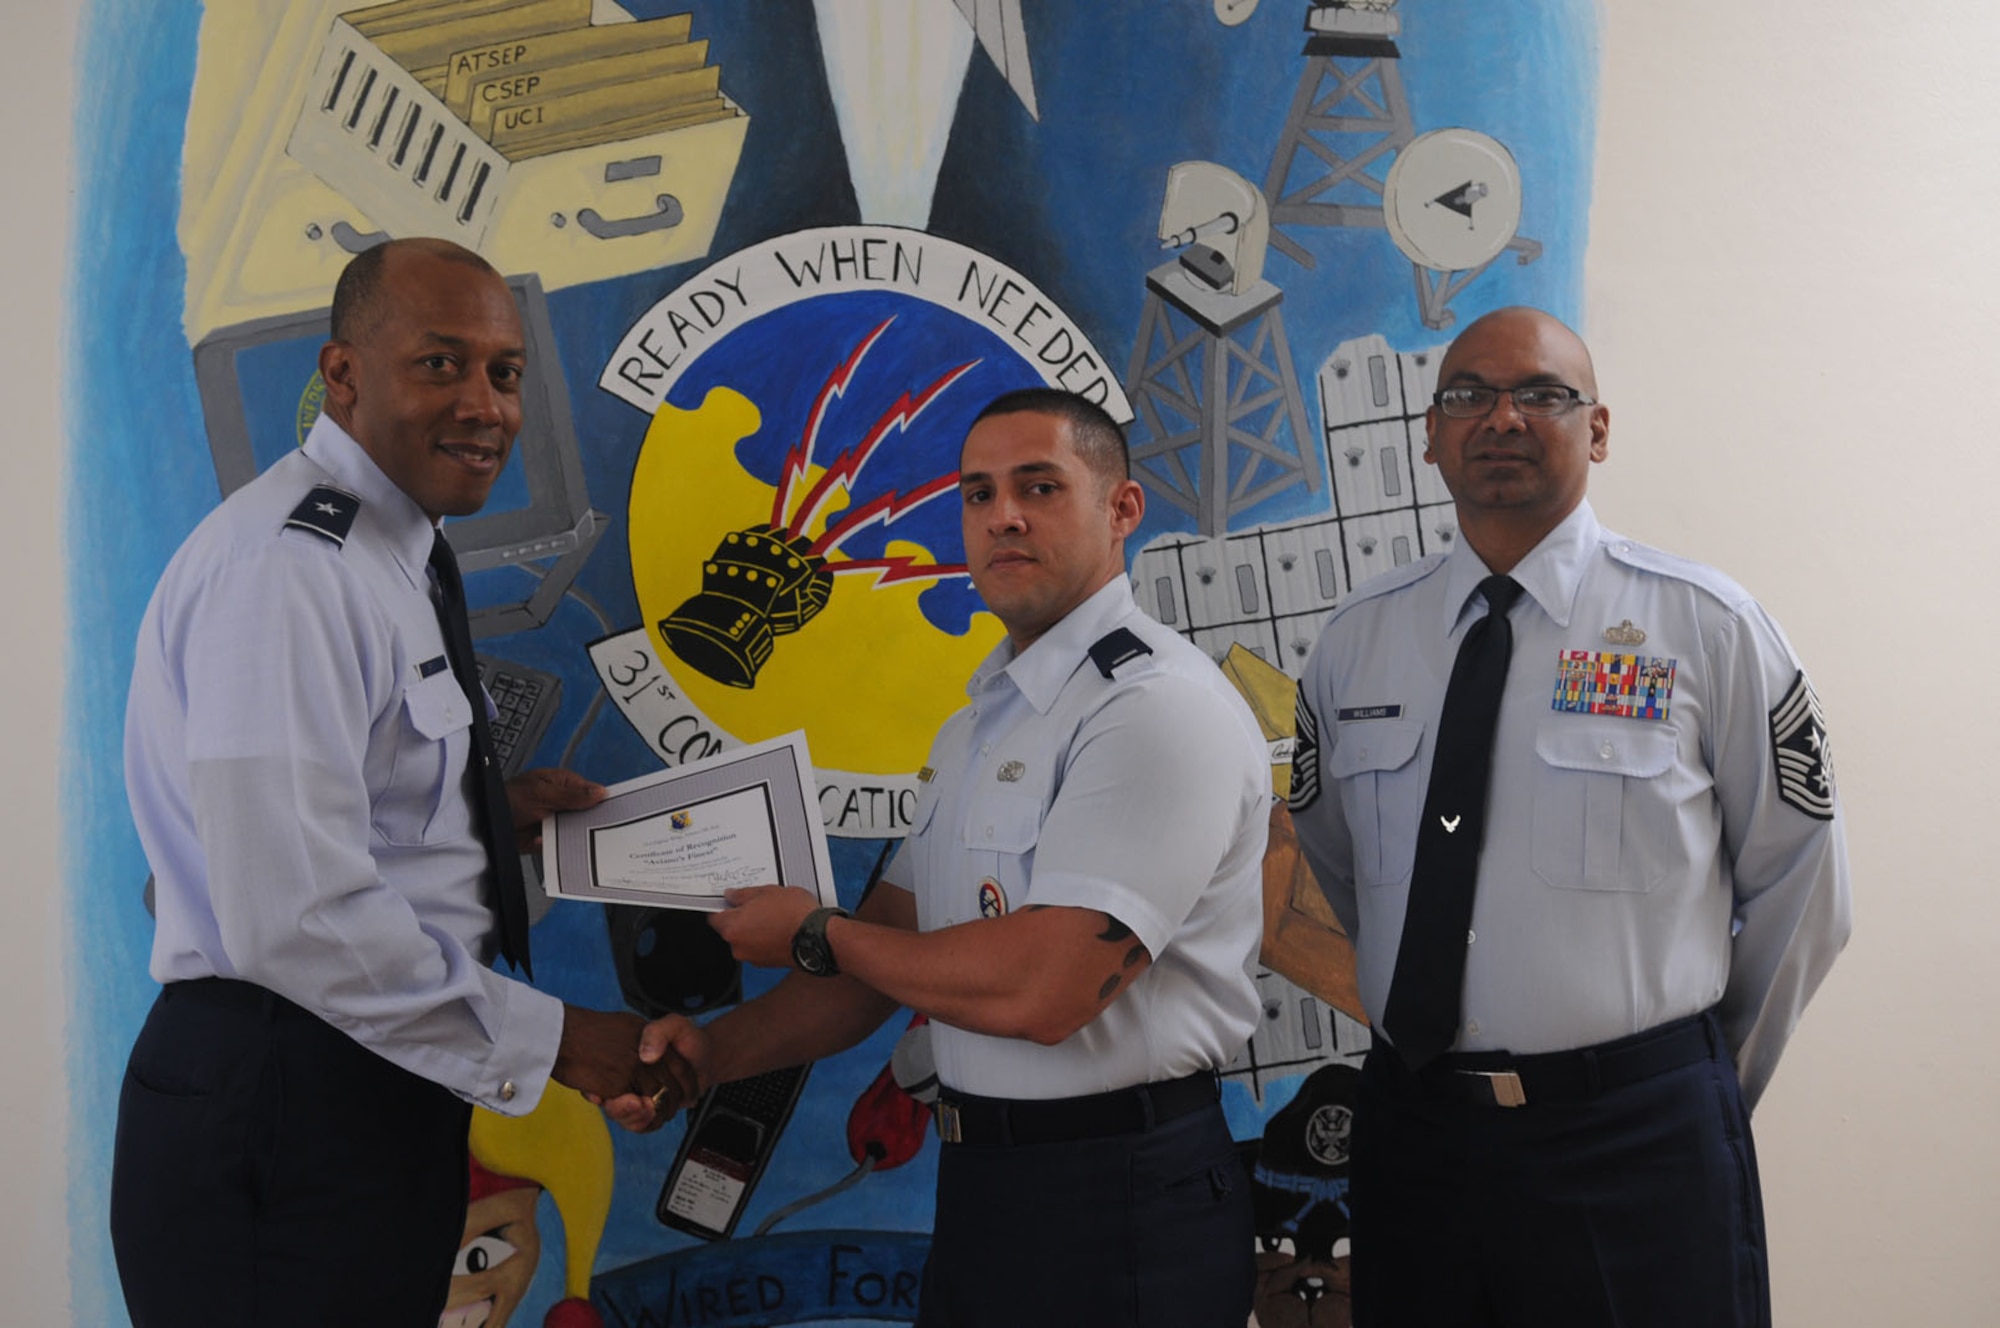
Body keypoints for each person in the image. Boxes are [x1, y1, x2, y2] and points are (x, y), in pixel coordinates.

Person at [111, 238, 692, 1328]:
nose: (484, 405)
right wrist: (558, 1037)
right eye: (440, 363)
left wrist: (483, 816)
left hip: (363, 1084)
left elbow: (338, 806)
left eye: (504, 372)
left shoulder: (391, 551)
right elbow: (292, 913)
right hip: (284, 1095)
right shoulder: (292, 571)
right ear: (342, 375)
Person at [607, 388, 1271, 1327]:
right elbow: (887, 958)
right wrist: (710, 1055)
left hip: (1119, 1192)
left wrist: (814, 932)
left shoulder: (1155, 708)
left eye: (1040, 487)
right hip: (986, 1186)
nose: (1003, 515)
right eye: (977, 493)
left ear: (1122, 510)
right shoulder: (976, 726)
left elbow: (1046, 990)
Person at [1285, 306, 1851, 1326]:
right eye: (1466, 394)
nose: (1499, 416)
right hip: (1416, 1135)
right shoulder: (1353, 644)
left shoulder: (1702, 625)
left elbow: (1802, 883)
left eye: (1539, 393)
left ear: (1595, 428)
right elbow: (1340, 863)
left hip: (1634, 1140)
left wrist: (1687, 1077)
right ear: (1427, 431)